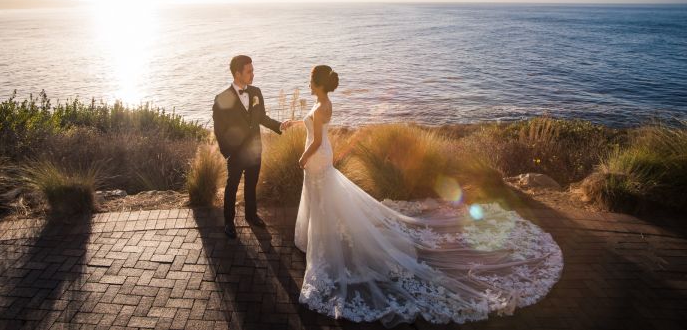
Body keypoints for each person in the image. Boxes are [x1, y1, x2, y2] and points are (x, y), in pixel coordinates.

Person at [290, 65, 564, 326]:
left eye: (309, 79)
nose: (307, 82)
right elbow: (316, 131)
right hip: (321, 155)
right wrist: (296, 125)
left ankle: (322, 242)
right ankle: (317, 236)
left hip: (316, 155)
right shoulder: (324, 104)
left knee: (323, 196)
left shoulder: (320, 106)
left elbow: (314, 140)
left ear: (317, 83)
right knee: (323, 196)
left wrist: (302, 158)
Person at [212, 55, 292, 239]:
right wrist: (228, 153)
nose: (253, 74)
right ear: (237, 73)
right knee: (232, 187)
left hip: (255, 149)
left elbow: (261, 117)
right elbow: (219, 129)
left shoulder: (256, 92)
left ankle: (251, 215)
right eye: (249, 71)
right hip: (235, 153)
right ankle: (229, 222)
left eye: (252, 70)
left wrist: (279, 125)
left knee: (251, 185)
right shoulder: (222, 98)